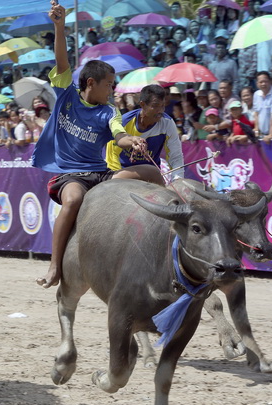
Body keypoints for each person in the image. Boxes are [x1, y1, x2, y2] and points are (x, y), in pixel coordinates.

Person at [31, 1, 148, 289]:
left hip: (103, 174)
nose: (113, 89)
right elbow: (62, 61)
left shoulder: (110, 111)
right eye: (110, 84)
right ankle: (54, 266)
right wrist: (59, 26)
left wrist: (130, 140)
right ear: (92, 83)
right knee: (71, 201)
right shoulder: (66, 95)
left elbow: (118, 134)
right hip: (71, 176)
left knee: (153, 174)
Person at [106, 84, 184, 183]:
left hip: (151, 175)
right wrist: (118, 183)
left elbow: (175, 156)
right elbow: (112, 157)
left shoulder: (167, 123)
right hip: (124, 172)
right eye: (155, 106)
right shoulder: (124, 122)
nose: (160, 111)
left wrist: (178, 180)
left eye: (163, 106)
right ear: (142, 105)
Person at [253, 71, 272, 138]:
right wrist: (256, 130)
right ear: (257, 84)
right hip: (261, 135)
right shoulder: (256, 94)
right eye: (261, 82)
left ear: (270, 82)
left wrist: (271, 134)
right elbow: (256, 113)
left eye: (265, 81)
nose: (263, 84)